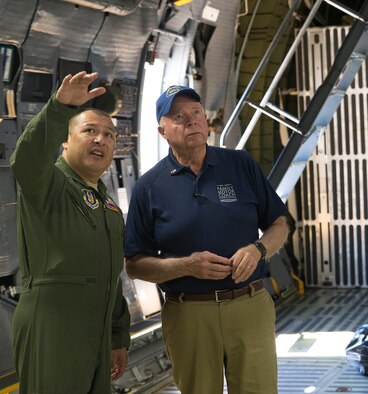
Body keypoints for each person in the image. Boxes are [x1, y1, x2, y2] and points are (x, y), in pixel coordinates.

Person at [124, 85, 290, 394]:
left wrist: (258, 250)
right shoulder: (149, 187)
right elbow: (135, 265)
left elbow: (280, 224)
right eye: (178, 116)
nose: (191, 120)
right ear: (162, 130)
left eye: (196, 112)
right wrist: (186, 266)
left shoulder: (241, 165)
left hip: (249, 306)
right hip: (189, 314)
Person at [10, 71, 131, 393]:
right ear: (65, 140)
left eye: (109, 135)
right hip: (53, 324)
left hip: (96, 328)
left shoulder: (107, 204)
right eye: (89, 131)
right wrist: (59, 107)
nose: (100, 140)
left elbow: (110, 275)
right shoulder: (49, 183)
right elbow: (26, 159)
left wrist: (117, 336)